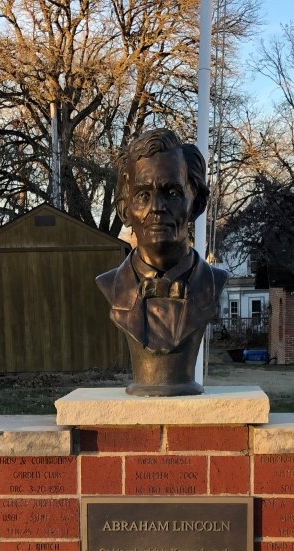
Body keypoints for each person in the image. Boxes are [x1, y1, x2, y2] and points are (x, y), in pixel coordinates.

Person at [96, 128, 228, 396]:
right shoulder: (110, 285)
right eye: (143, 195)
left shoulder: (213, 283)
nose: (156, 207)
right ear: (124, 209)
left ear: (197, 203)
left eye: (172, 192)